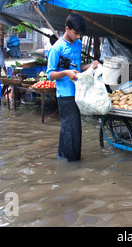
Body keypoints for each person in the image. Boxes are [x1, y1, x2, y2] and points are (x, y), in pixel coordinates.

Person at [46, 13, 99, 162]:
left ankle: (62, 157)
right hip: (65, 94)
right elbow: (49, 74)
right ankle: (73, 163)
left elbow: (78, 68)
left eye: (80, 34)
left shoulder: (78, 44)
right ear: (67, 29)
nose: (77, 36)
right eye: (75, 33)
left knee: (69, 127)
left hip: (79, 91)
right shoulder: (57, 49)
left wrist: (90, 66)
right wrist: (65, 73)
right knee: (73, 129)